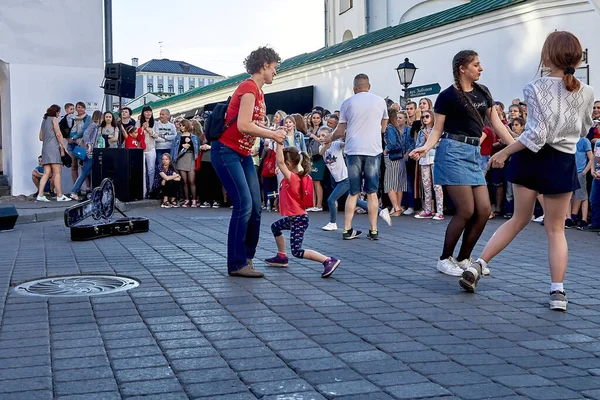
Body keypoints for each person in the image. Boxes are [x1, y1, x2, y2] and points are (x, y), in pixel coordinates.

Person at [474, 31, 595, 311]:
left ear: (547, 56)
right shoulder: (586, 91)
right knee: (555, 230)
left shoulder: (535, 87)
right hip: (562, 160)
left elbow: (536, 135)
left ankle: (479, 265)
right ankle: (558, 293)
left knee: (518, 219)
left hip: (530, 157)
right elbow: (586, 127)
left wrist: (504, 152)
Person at [410, 49, 514, 278]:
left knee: (484, 210)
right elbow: (437, 129)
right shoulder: (447, 96)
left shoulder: (483, 92)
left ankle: (463, 258)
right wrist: (426, 147)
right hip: (452, 152)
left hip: (474, 153)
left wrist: (516, 146)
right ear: (462, 68)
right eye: (476, 65)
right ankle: (444, 259)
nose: (481, 68)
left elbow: (497, 124)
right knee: (466, 209)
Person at [211, 46, 285, 278]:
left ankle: (246, 259)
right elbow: (243, 124)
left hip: (241, 154)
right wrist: (272, 134)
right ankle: (237, 263)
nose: (275, 72)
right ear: (264, 65)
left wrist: (266, 129)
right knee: (244, 205)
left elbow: (249, 125)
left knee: (255, 206)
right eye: (274, 67)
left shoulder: (259, 93)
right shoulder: (249, 88)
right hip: (226, 151)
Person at [323, 73, 389, 240]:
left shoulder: (348, 103)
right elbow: (383, 126)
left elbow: (339, 131)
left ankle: (347, 229)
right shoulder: (380, 101)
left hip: (353, 150)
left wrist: (329, 139)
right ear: (369, 86)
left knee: (353, 192)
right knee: (372, 192)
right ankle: (373, 230)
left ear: (354, 88)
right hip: (373, 150)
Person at [264, 144, 341, 277]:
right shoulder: (296, 177)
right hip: (294, 218)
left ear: (288, 164)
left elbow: (280, 162)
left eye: (282, 164)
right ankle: (282, 256)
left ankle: (328, 260)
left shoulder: (293, 178)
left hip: (299, 219)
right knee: (275, 227)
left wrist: (279, 143)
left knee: (297, 251)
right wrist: (278, 200)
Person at [320, 127, 391, 231]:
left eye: (324, 135)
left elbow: (346, 145)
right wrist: (326, 143)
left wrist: (346, 137)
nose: (321, 138)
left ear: (330, 135)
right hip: (338, 179)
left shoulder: (336, 144)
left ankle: (332, 222)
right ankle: (381, 212)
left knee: (331, 200)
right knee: (355, 201)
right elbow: (321, 153)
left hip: (345, 179)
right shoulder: (321, 148)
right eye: (320, 136)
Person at [37, 105, 70, 202]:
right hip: (53, 148)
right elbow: (58, 134)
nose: (59, 114)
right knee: (57, 172)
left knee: (46, 173)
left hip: (45, 148)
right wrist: (63, 146)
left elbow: (41, 137)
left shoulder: (44, 120)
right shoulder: (54, 119)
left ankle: (40, 194)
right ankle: (60, 195)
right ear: (55, 112)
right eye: (58, 112)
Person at [415, 110, 444, 220]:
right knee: (426, 186)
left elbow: (439, 145)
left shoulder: (437, 131)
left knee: (437, 186)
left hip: (434, 159)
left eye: (427, 116)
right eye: (423, 117)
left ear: (432, 117)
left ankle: (439, 211)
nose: (425, 118)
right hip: (424, 160)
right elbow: (417, 145)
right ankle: (428, 210)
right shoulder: (421, 132)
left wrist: (430, 141)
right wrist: (425, 142)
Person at [69, 111, 103, 200]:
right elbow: (86, 133)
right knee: (84, 173)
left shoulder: (95, 126)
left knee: (86, 172)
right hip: (90, 152)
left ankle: (77, 191)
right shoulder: (93, 125)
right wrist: (89, 144)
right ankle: (74, 191)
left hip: (91, 152)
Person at [383, 108, 410, 216]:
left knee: (389, 183)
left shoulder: (389, 128)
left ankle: (395, 207)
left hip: (392, 158)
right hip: (400, 158)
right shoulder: (396, 128)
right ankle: (397, 208)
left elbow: (392, 143)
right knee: (399, 184)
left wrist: (385, 150)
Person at [565, 136, 593, 229]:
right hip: (570, 170)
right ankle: (569, 218)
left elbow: (591, 157)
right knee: (568, 195)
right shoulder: (570, 139)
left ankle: (584, 219)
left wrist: (585, 171)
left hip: (580, 171)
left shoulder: (584, 141)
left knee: (582, 195)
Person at [171, 119, 199, 207]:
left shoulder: (194, 137)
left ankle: (194, 200)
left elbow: (197, 149)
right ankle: (187, 200)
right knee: (185, 181)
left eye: (183, 125)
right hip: (181, 159)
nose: (181, 127)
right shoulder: (178, 137)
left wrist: (189, 147)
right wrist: (181, 147)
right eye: (180, 125)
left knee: (192, 181)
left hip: (191, 158)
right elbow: (174, 149)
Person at [67, 102, 91, 183]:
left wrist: (74, 137)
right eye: (78, 107)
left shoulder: (87, 118)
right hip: (71, 144)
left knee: (84, 166)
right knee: (74, 166)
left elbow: (84, 130)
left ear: (84, 108)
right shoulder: (72, 117)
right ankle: (76, 189)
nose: (80, 109)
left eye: (82, 107)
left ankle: (87, 188)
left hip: (82, 143)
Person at [138, 105, 159, 197]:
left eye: (150, 111)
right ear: (143, 113)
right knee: (142, 171)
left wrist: (149, 130)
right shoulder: (138, 122)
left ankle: (151, 190)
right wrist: (142, 128)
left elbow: (156, 136)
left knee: (151, 170)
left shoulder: (155, 123)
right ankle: (143, 192)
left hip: (151, 148)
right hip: (140, 148)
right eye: (146, 111)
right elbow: (136, 135)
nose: (148, 113)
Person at [306, 111, 325, 211]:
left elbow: (324, 141)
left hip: (319, 156)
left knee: (317, 181)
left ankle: (319, 205)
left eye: (318, 118)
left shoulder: (322, 129)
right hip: (310, 157)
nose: (316, 119)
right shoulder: (310, 130)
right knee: (311, 181)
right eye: (314, 117)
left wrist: (314, 137)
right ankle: (312, 204)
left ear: (321, 119)